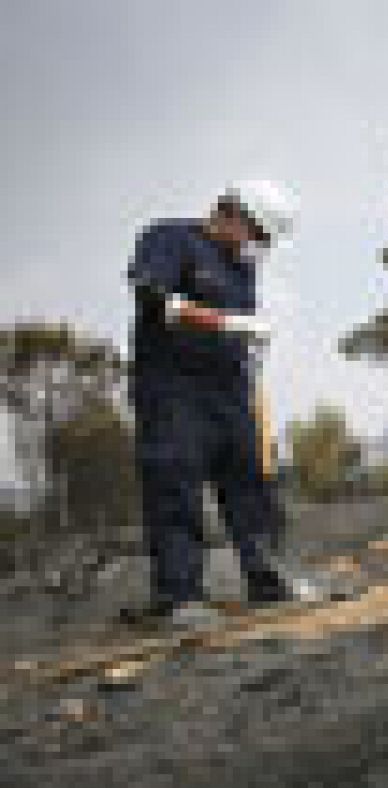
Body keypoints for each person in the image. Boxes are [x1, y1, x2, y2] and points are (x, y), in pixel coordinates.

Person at [121, 180, 299, 626]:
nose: (259, 246)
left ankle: (264, 578)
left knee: (248, 481)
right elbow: (152, 297)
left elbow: (239, 327)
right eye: (258, 234)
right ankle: (179, 597)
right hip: (173, 388)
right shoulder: (169, 238)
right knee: (176, 483)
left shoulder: (241, 267)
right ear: (235, 214)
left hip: (229, 389)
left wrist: (250, 342)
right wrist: (224, 321)